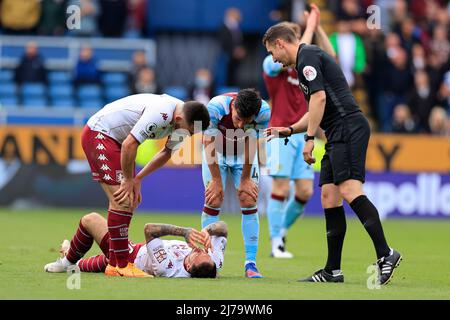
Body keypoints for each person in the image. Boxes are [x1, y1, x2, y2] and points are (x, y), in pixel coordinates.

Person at [262, 21, 402, 285]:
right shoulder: (307, 60)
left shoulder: (307, 58)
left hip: (347, 127)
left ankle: (386, 254)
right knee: (329, 195)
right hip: (337, 130)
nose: (274, 59)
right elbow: (315, 108)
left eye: (272, 52)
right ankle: (332, 271)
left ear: (280, 43)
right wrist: (288, 130)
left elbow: (320, 100)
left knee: (350, 190)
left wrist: (308, 139)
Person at [80, 93, 210, 277]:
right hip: (100, 134)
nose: (187, 135)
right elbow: (129, 144)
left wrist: (138, 178)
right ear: (179, 119)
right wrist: (128, 179)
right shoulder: (162, 114)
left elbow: (166, 153)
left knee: (130, 199)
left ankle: (109, 263)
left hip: (118, 142)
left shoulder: (183, 118)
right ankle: (121, 265)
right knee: (123, 199)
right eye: (187, 131)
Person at [263, 5, 335, 259]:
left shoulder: (306, 63)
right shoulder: (272, 61)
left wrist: (318, 27)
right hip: (280, 131)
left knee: (304, 191)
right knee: (280, 186)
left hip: (304, 130)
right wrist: (310, 26)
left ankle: (281, 232)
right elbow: (282, 59)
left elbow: (330, 55)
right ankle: (275, 243)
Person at [201, 88, 270, 278]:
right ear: (234, 106)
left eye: (246, 122)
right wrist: (216, 180)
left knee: (249, 200)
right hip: (217, 152)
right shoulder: (215, 107)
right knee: (213, 200)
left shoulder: (264, 112)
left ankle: (251, 264)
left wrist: (246, 179)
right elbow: (208, 143)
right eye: (238, 118)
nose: (240, 126)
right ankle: (210, 260)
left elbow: (252, 143)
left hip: (242, 154)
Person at [44, 212, 227, 278]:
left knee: (90, 220)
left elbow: (149, 229)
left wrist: (184, 231)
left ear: (187, 266)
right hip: (133, 252)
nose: (198, 249)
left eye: (196, 254)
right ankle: (69, 256)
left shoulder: (169, 268)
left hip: (130, 257)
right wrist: (208, 231)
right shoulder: (213, 263)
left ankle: (66, 260)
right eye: (204, 252)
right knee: (85, 265)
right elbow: (224, 228)